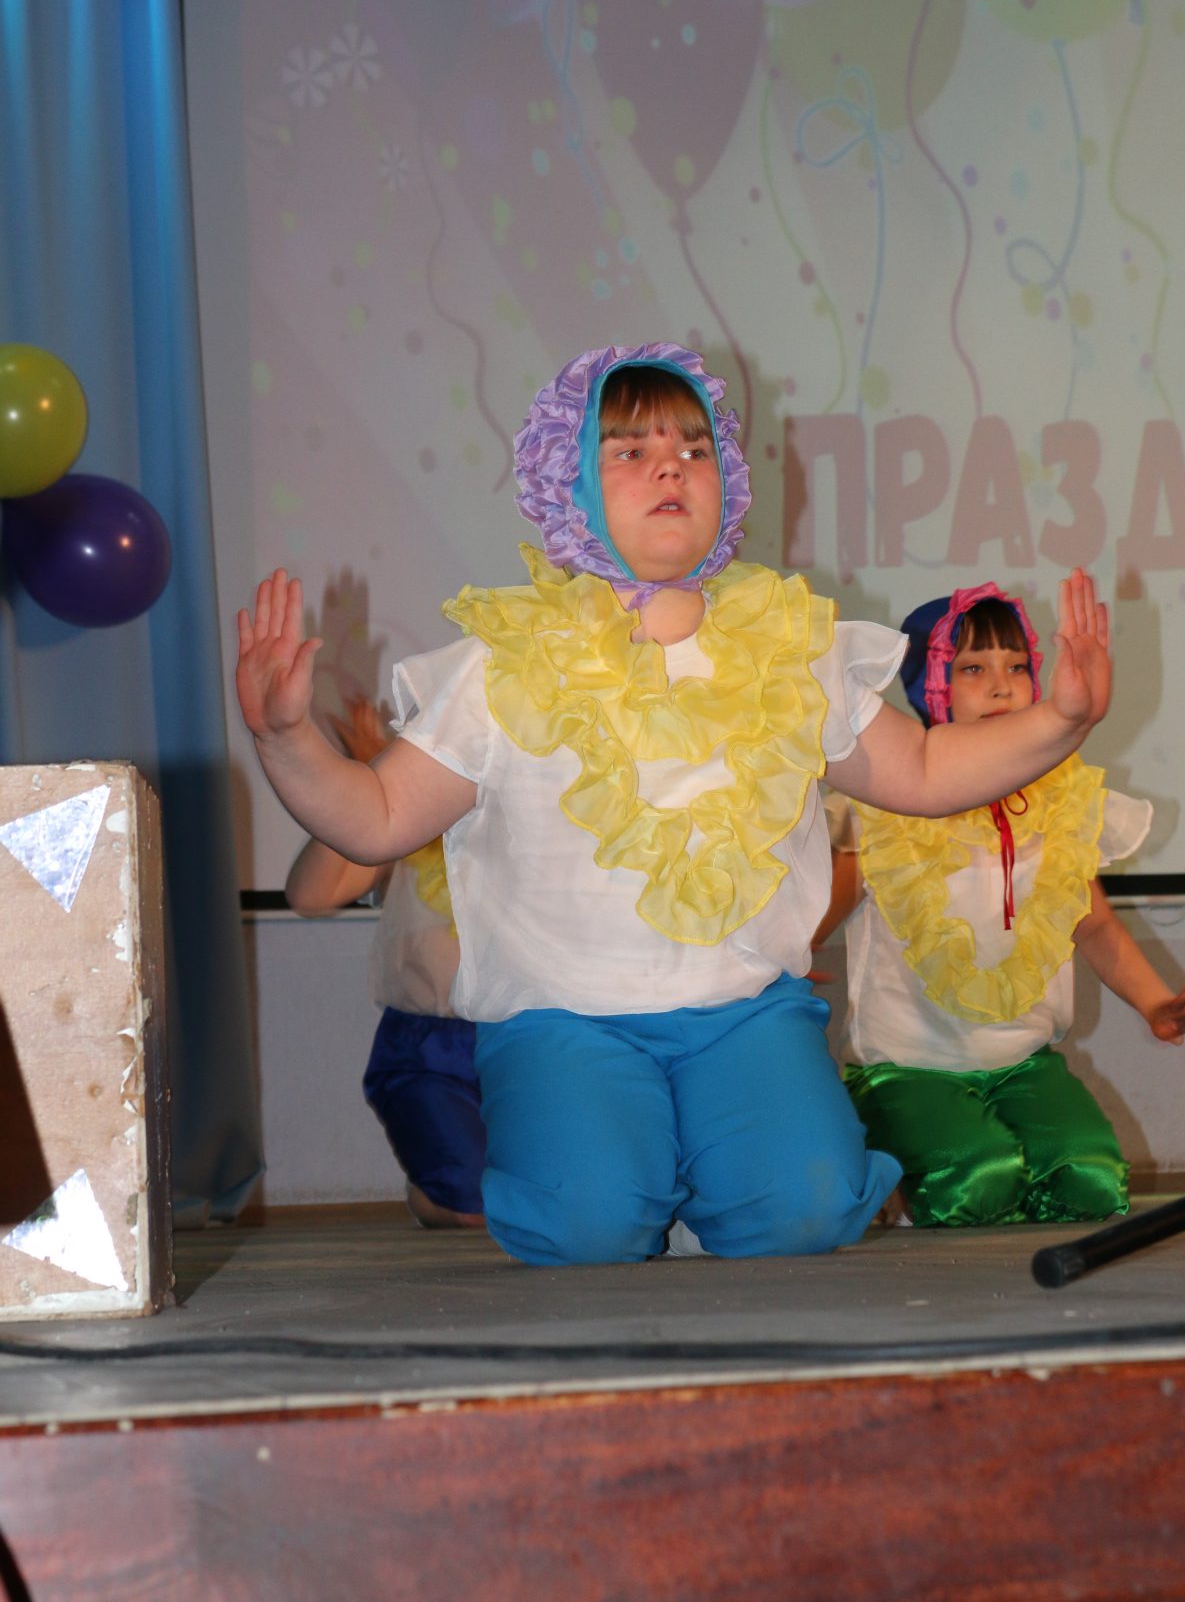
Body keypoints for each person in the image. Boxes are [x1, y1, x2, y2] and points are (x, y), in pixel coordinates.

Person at [235, 343, 1113, 1268]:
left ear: (726, 480)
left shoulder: (787, 646)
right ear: (569, 483)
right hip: (562, 1021)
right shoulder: (506, 662)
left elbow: (926, 772)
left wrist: (1060, 719)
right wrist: (286, 740)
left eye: (694, 449)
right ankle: (636, 1177)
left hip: (745, 1015)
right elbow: (375, 816)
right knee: (588, 1226)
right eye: (630, 450)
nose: (670, 468)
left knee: (805, 1212)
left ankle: (709, 1183)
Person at [834, 583, 1185, 1228]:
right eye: (972, 669)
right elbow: (811, 921)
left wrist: (1157, 1005)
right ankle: (878, 1156)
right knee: (977, 1184)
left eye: (1017, 667)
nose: (1001, 687)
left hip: (1024, 1064)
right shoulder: (882, 811)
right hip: (909, 1070)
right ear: (931, 685)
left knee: (1090, 1185)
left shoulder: (1058, 804)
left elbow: (1096, 926)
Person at [284, 695, 484, 1230]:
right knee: (470, 1209)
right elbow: (310, 895)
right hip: (430, 1045)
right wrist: (366, 788)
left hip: (531, 1038)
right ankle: (436, 1191)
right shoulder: (413, 816)